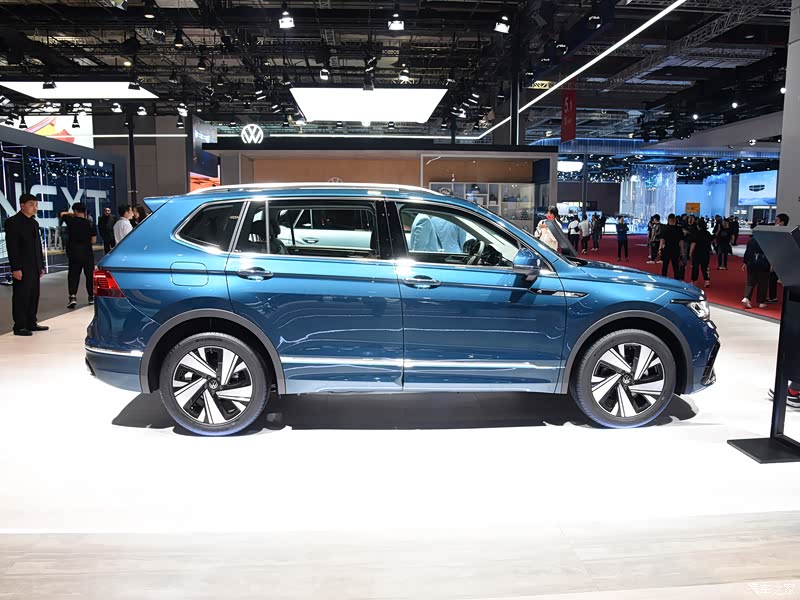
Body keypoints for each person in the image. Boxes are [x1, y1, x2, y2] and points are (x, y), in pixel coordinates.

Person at [3, 193, 47, 336]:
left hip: (35, 265)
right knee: (22, 296)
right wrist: (15, 268)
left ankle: (31, 322)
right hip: (22, 266)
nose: (35, 207)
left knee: (34, 295)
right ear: (22, 205)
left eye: (36, 205)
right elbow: (12, 247)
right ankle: (20, 325)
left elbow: (38, 246)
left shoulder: (34, 223)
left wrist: (41, 265)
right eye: (31, 205)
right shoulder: (13, 222)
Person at [58, 202, 97, 309]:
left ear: (75, 211)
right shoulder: (90, 223)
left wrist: (72, 214)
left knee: (73, 275)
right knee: (89, 275)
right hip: (87, 252)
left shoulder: (71, 221)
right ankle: (91, 297)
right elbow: (93, 240)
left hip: (74, 252)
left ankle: (73, 297)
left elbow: (62, 214)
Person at [741, 223, 771, 309]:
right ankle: (761, 302)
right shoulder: (768, 241)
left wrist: (745, 262)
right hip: (763, 263)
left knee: (750, 282)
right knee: (763, 283)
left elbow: (747, 252)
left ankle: (746, 298)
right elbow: (770, 253)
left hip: (751, 262)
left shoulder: (751, 240)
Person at [767, 213, 790, 303]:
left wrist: (773, 262)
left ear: (782, 222)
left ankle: (774, 297)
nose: (775, 222)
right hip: (780, 259)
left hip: (780, 260)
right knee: (773, 278)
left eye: (776, 220)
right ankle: (773, 297)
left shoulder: (782, 233)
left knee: (773, 278)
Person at [659, 213, 684, 280]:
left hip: (667, 249)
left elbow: (662, 239)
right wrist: (682, 251)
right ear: (675, 219)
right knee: (676, 266)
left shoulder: (664, 228)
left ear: (668, 219)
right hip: (676, 249)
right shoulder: (679, 229)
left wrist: (660, 248)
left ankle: (663, 279)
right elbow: (681, 241)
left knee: (665, 265)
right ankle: (677, 280)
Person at [690, 219, 712, 288]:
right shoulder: (707, 233)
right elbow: (711, 241)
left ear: (698, 226)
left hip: (697, 252)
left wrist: (690, 253)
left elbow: (693, 243)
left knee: (695, 267)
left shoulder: (696, 233)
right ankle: (707, 281)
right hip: (706, 252)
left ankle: (694, 281)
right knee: (705, 267)